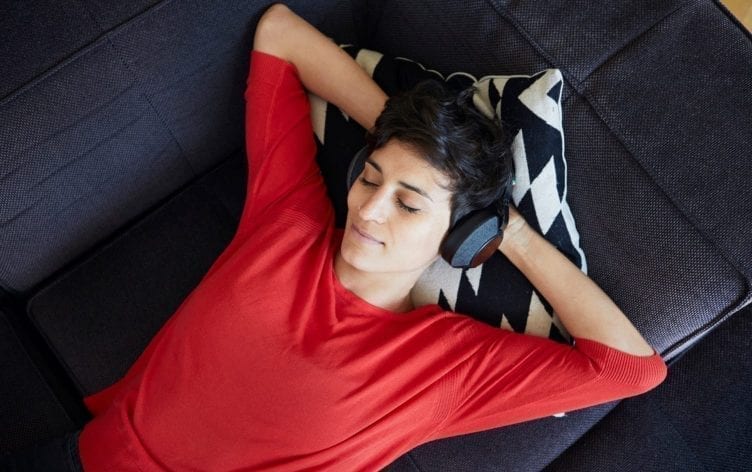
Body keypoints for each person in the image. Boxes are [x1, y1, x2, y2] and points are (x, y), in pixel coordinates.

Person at [1, 3, 667, 471]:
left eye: (408, 203)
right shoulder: (289, 217)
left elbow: (631, 369)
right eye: (370, 178)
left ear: (458, 231)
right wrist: (400, 137)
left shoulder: (445, 365)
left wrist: (507, 231)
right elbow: (279, 32)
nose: (370, 209)